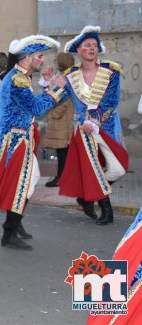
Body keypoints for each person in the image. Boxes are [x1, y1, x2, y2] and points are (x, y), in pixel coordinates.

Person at [0, 35, 67, 251]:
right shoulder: (18, 79)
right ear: (27, 58)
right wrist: (56, 89)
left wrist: (47, 84)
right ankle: (9, 230)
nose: (42, 61)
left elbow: (29, 103)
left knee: (24, 183)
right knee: (21, 184)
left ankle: (13, 223)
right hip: (15, 141)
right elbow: (37, 108)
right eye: (39, 56)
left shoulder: (19, 76)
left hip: (18, 139)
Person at [58, 26, 129, 225]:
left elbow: (110, 101)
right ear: (79, 50)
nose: (92, 48)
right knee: (92, 169)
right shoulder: (70, 75)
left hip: (106, 126)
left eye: (95, 45)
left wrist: (96, 119)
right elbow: (60, 97)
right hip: (83, 130)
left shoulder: (111, 71)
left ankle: (89, 194)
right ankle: (106, 209)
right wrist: (51, 85)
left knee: (118, 168)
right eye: (87, 45)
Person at [41, 53, 75, 187]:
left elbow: (64, 101)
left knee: (62, 152)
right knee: (63, 152)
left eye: (56, 61)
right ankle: (62, 177)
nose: (55, 63)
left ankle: (61, 178)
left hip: (63, 120)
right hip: (64, 120)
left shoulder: (66, 78)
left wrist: (53, 113)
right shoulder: (67, 77)